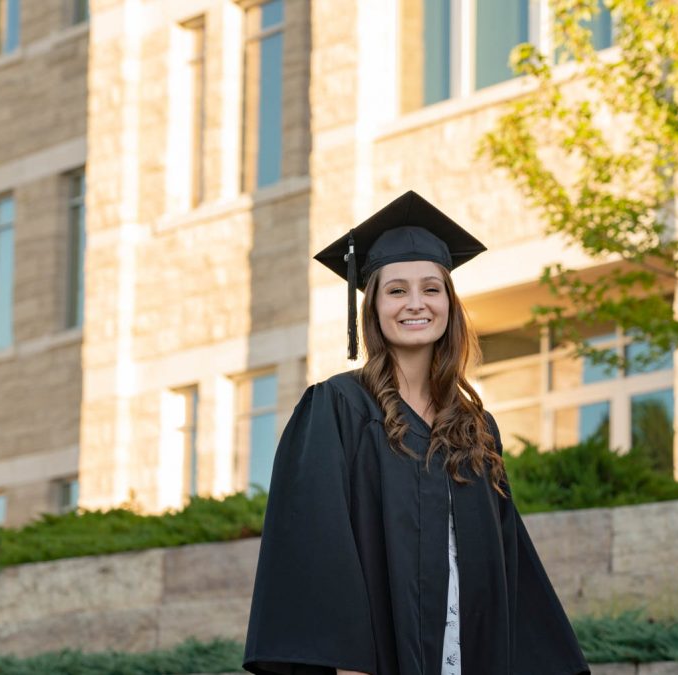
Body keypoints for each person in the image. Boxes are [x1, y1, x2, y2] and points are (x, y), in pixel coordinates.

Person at [243, 191, 590, 675]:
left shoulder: (476, 427)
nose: (416, 304)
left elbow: (507, 559)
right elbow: (318, 544)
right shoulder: (338, 407)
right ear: (373, 306)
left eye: (431, 289)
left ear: (449, 303)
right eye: (396, 290)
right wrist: (348, 663)